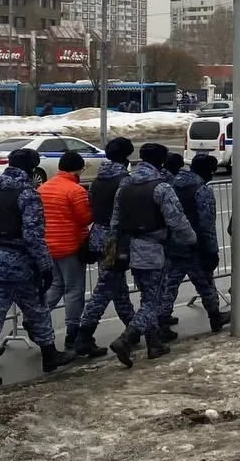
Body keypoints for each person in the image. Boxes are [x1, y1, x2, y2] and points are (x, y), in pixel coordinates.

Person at [0, 148, 75, 391]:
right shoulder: (27, 195)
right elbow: (33, 236)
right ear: (30, 168)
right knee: (37, 310)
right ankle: (50, 355)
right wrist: (45, 265)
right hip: (21, 264)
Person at [106, 143, 197, 367]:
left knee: (147, 295)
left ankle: (154, 342)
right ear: (161, 161)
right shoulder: (161, 187)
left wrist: (113, 248)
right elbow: (177, 220)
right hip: (154, 248)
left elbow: (115, 221)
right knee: (152, 301)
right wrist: (191, 240)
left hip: (130, 248)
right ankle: (127, 338)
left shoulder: (125, 185)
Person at [73, 139, 138, 358]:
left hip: (99, 236)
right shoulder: (124, 181)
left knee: (116, 287)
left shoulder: (99, 179)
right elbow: (126, 212)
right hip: (115, 239)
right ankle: (83, 334)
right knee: (104, 288)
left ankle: (134, 327)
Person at [161, 154, 229, 334]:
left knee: (170, 284)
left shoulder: (172, 185)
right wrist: (212, 251)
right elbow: (207, 224)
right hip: (195, 245)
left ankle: (162, 321)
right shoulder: (202, 189)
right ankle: (215, 316)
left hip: (173, 243)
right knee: (205, 283)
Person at [40, 151, 93, 350]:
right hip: (70, 245)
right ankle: (72, 332)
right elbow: (85, 219)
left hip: (48, 245)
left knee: (56, 285)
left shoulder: (44, 187)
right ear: (78, 168)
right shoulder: (75, 190)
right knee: (73, 290)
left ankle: (37, 318)